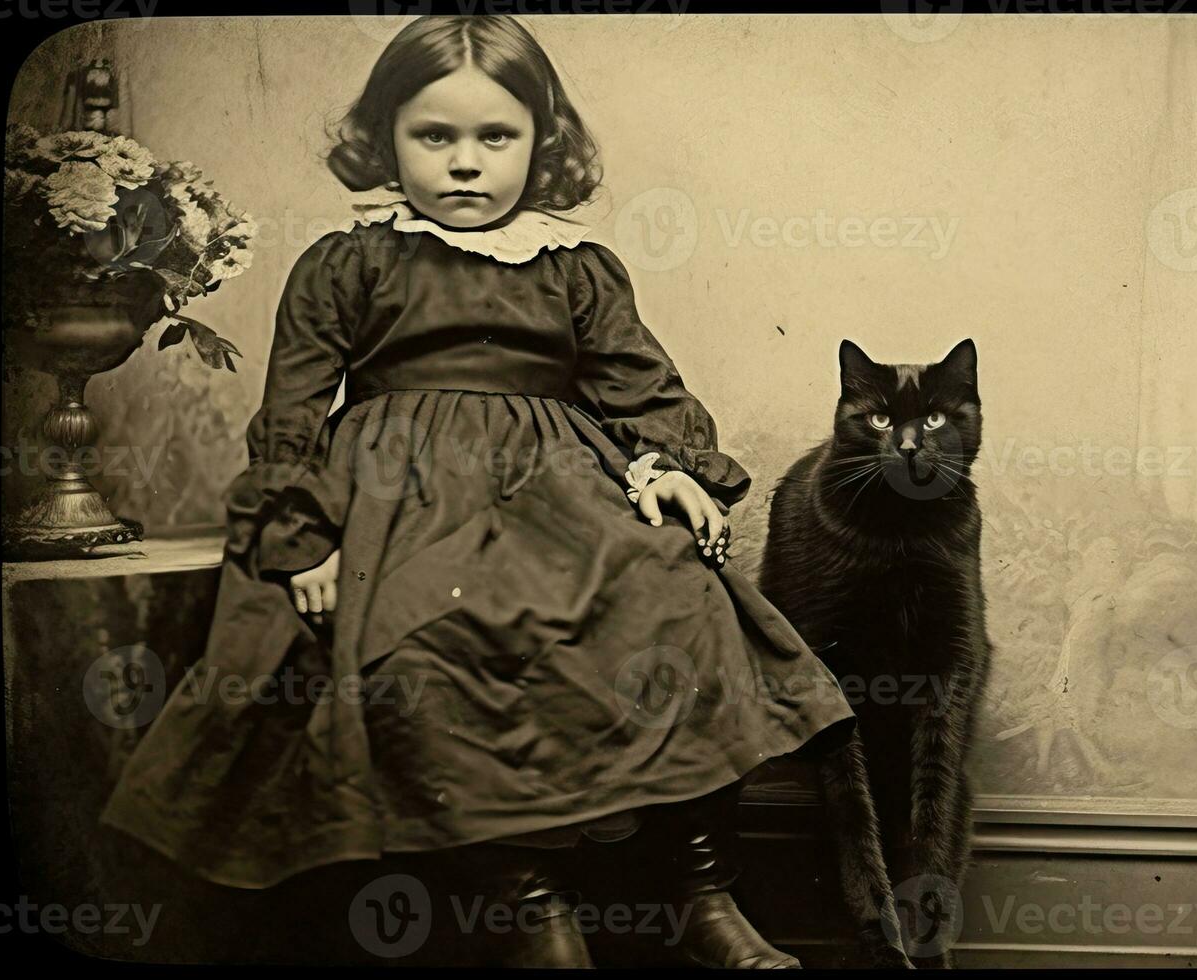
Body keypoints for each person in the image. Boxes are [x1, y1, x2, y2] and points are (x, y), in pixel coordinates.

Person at [99, 14, 854, 969]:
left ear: (542, 145)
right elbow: (289, 414)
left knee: (679, 597)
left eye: (495, 137)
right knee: (447, 643)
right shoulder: (348, 263)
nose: (465, 164)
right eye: (434, 137)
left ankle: (702, 892)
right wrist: (304, 537)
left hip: (560, 490)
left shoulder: (574, 267)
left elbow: (640, 387)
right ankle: (530, 906)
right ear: (385, 141)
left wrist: (670, 470)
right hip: (398, 499)